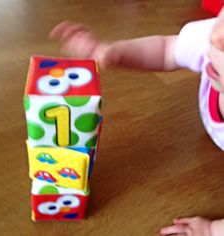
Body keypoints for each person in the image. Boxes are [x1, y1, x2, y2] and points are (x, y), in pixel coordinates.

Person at [49, 7, 224, 236]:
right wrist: (112, 51)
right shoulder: (213, 36)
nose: (217, 37)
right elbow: (166, 49)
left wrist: (212, 230)